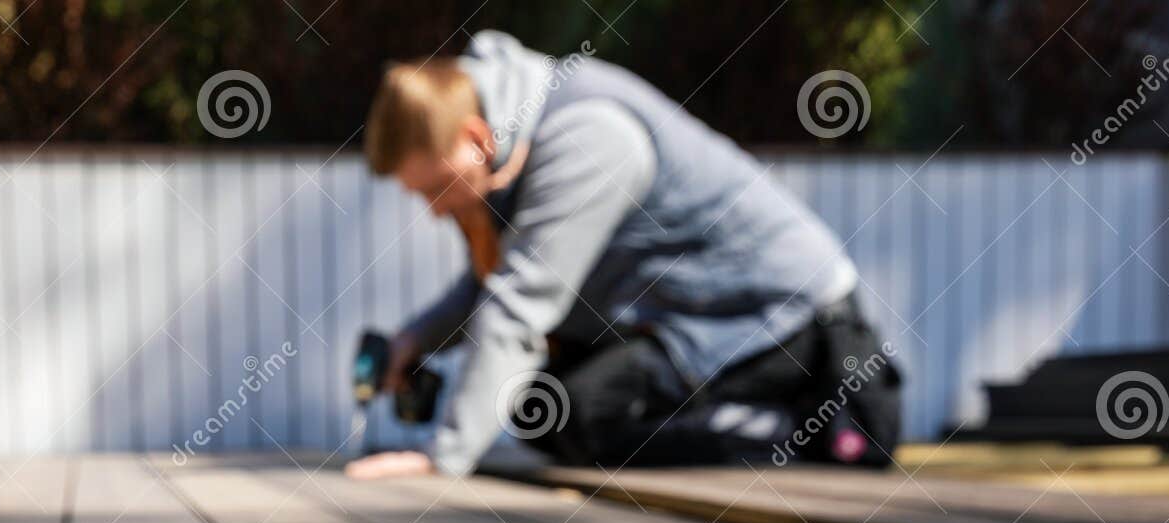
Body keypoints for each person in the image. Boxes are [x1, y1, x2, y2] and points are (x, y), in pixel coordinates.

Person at [345, 31, 902, 482]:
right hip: (689, 318)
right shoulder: (515, 136)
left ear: (476, 137)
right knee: (544, 408)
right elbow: (494, 283)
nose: (435, 212)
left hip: (777, 313)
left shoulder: (587, 137)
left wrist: (442, 460)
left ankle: (798, 427)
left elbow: (520, 302)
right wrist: (413, 341)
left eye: (435, 189)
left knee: (584, 412)